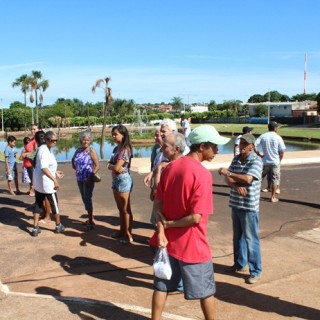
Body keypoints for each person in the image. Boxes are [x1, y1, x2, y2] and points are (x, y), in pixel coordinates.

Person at [150, 125, 230, 320]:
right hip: (193, 245)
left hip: (168, 243)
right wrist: (167, 225)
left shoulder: (170, 168)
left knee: (162, 286)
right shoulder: (202, 174)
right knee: (207, 291)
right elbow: (195, 218)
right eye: (214, 146)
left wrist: (162, 230)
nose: (217, 151)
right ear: (202, 147)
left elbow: (157, 205)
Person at [219, 134, 263, 284]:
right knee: (237, 237)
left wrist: (229, 173)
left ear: (252, 146)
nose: (242, 146)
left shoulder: (256, 160)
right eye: (241, 143)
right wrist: (236, 185)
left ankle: (255, 270)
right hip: (236, 204)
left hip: (249, 206)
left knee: (251, 239)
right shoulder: (236, 159)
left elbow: (248, 179)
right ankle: (239, 264)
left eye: (245, 144)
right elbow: (228, 180)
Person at [31, 131, 65, 237]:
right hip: (47, 184)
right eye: (52, 140)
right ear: (46, 140)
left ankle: (35, 227)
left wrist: (55, 172)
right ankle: (58, 225)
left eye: (56, 140)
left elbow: (46, 166)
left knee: (38, 204)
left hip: (39, 183)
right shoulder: (44, 151)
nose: (54, 142)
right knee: (54, 204)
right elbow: (44, 168)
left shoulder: (44, 149)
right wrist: (54, 180)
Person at [107, 125, 133, 244]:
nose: (113, 136)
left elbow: (116, 167)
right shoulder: (116, 149)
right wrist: (113, 166)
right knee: (120, 208)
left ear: (123, 135)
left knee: (125, 209)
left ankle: (128, 233)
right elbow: (111, 165)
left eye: (115, 134)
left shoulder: (125, 149)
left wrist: (112, 166)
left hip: (123, 180)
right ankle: (122, 231)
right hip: (116, 180)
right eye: (112, 134)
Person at [72, 131, 100, 231]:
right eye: (84, 139)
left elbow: (97, 166)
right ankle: (90, 218)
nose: (85, 141)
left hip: (88, 179)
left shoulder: (91, 151)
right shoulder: (78, 150)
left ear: (90, 141)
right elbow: (73, 160)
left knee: (87, 198)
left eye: (88, 140)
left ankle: (91, 222)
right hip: (79, 178)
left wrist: (90, 177)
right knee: (84, 198)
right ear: (81, 140)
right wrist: (76, 168)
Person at [255, 121, 286, 202]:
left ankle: (255, 195)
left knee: (259, 178)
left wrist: (259, 154)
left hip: (265, 161)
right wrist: (279, 160)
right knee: (275, 179)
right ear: (275, 128)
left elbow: (254, 145)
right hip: (275, 162)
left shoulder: (263, 136)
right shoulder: (278, 137)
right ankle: (272, 197)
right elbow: (282, 151)